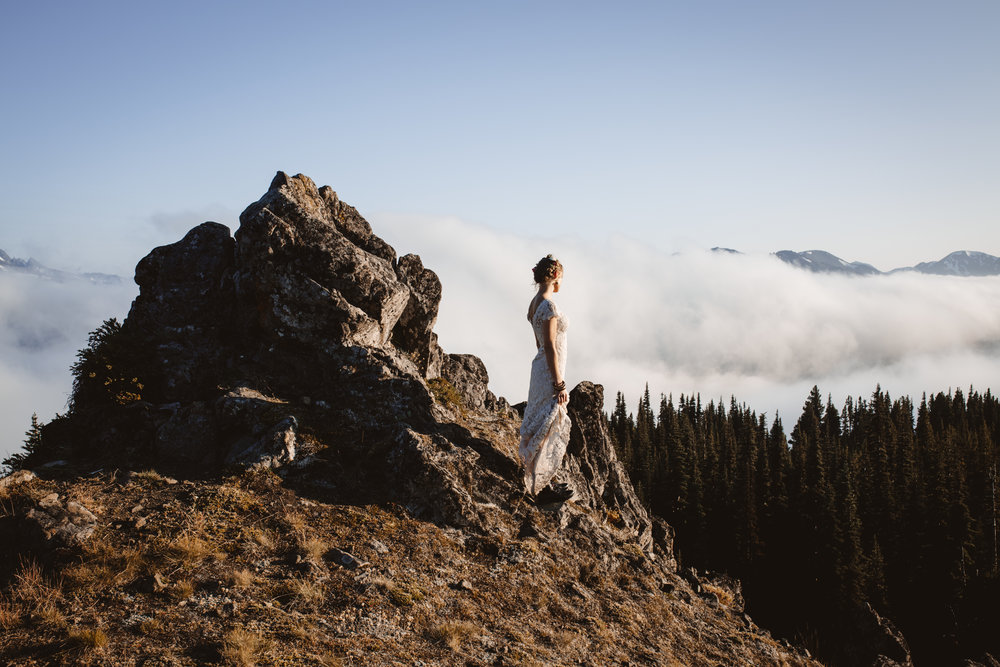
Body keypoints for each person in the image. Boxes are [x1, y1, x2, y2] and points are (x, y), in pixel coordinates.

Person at [518, 254, 574, 504]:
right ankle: (542, 486)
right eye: (561, 277)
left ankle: (542, 479)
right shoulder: (549, 306)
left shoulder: (534, 304)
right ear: (555, 277)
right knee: (550, 420)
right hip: (550, 368)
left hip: (540, 367)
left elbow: (539, 343)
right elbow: (550, 345)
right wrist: (559, 383)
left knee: (542, 420)